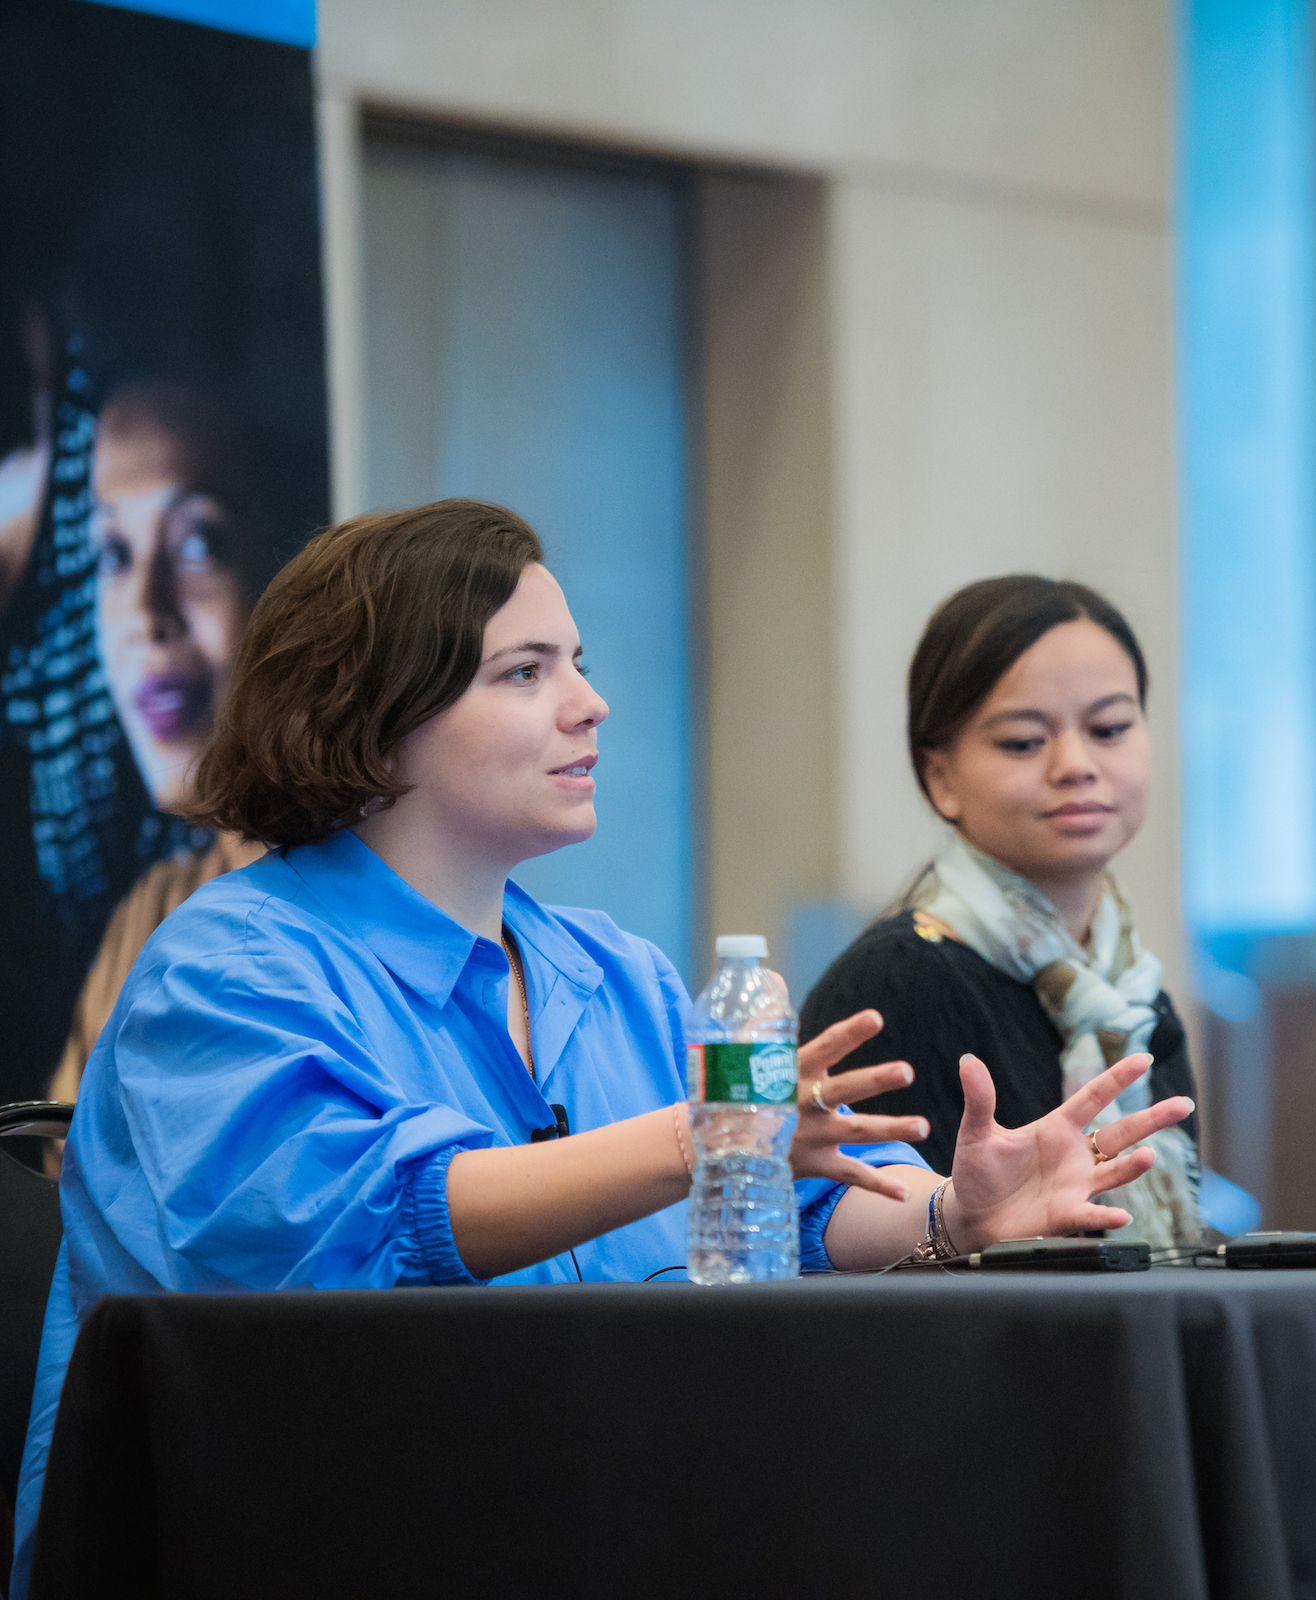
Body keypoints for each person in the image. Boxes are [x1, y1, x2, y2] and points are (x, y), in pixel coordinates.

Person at [10, 502, 1192, 1588]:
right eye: (526, 672)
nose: (590, 703)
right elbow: (361, 1227)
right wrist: (696, 1138)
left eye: (579, 663)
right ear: (369, 721)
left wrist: (950, 1218)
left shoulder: (615, 971)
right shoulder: (227, 969)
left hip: (584, 1519)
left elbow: (788, 1214)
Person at [800, 576, 1204, 1251]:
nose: (1076, 765)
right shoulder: (895, 984)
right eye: (1022, 741)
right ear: (941, 778)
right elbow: (860, 1273)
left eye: (1108, 728)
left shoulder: (1130, 999)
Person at [51, 379, 271, 1102]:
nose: (146, 611)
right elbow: (62, 1177)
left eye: (199, 544)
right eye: (114, 553)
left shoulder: (385, 896)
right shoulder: (153, 913)